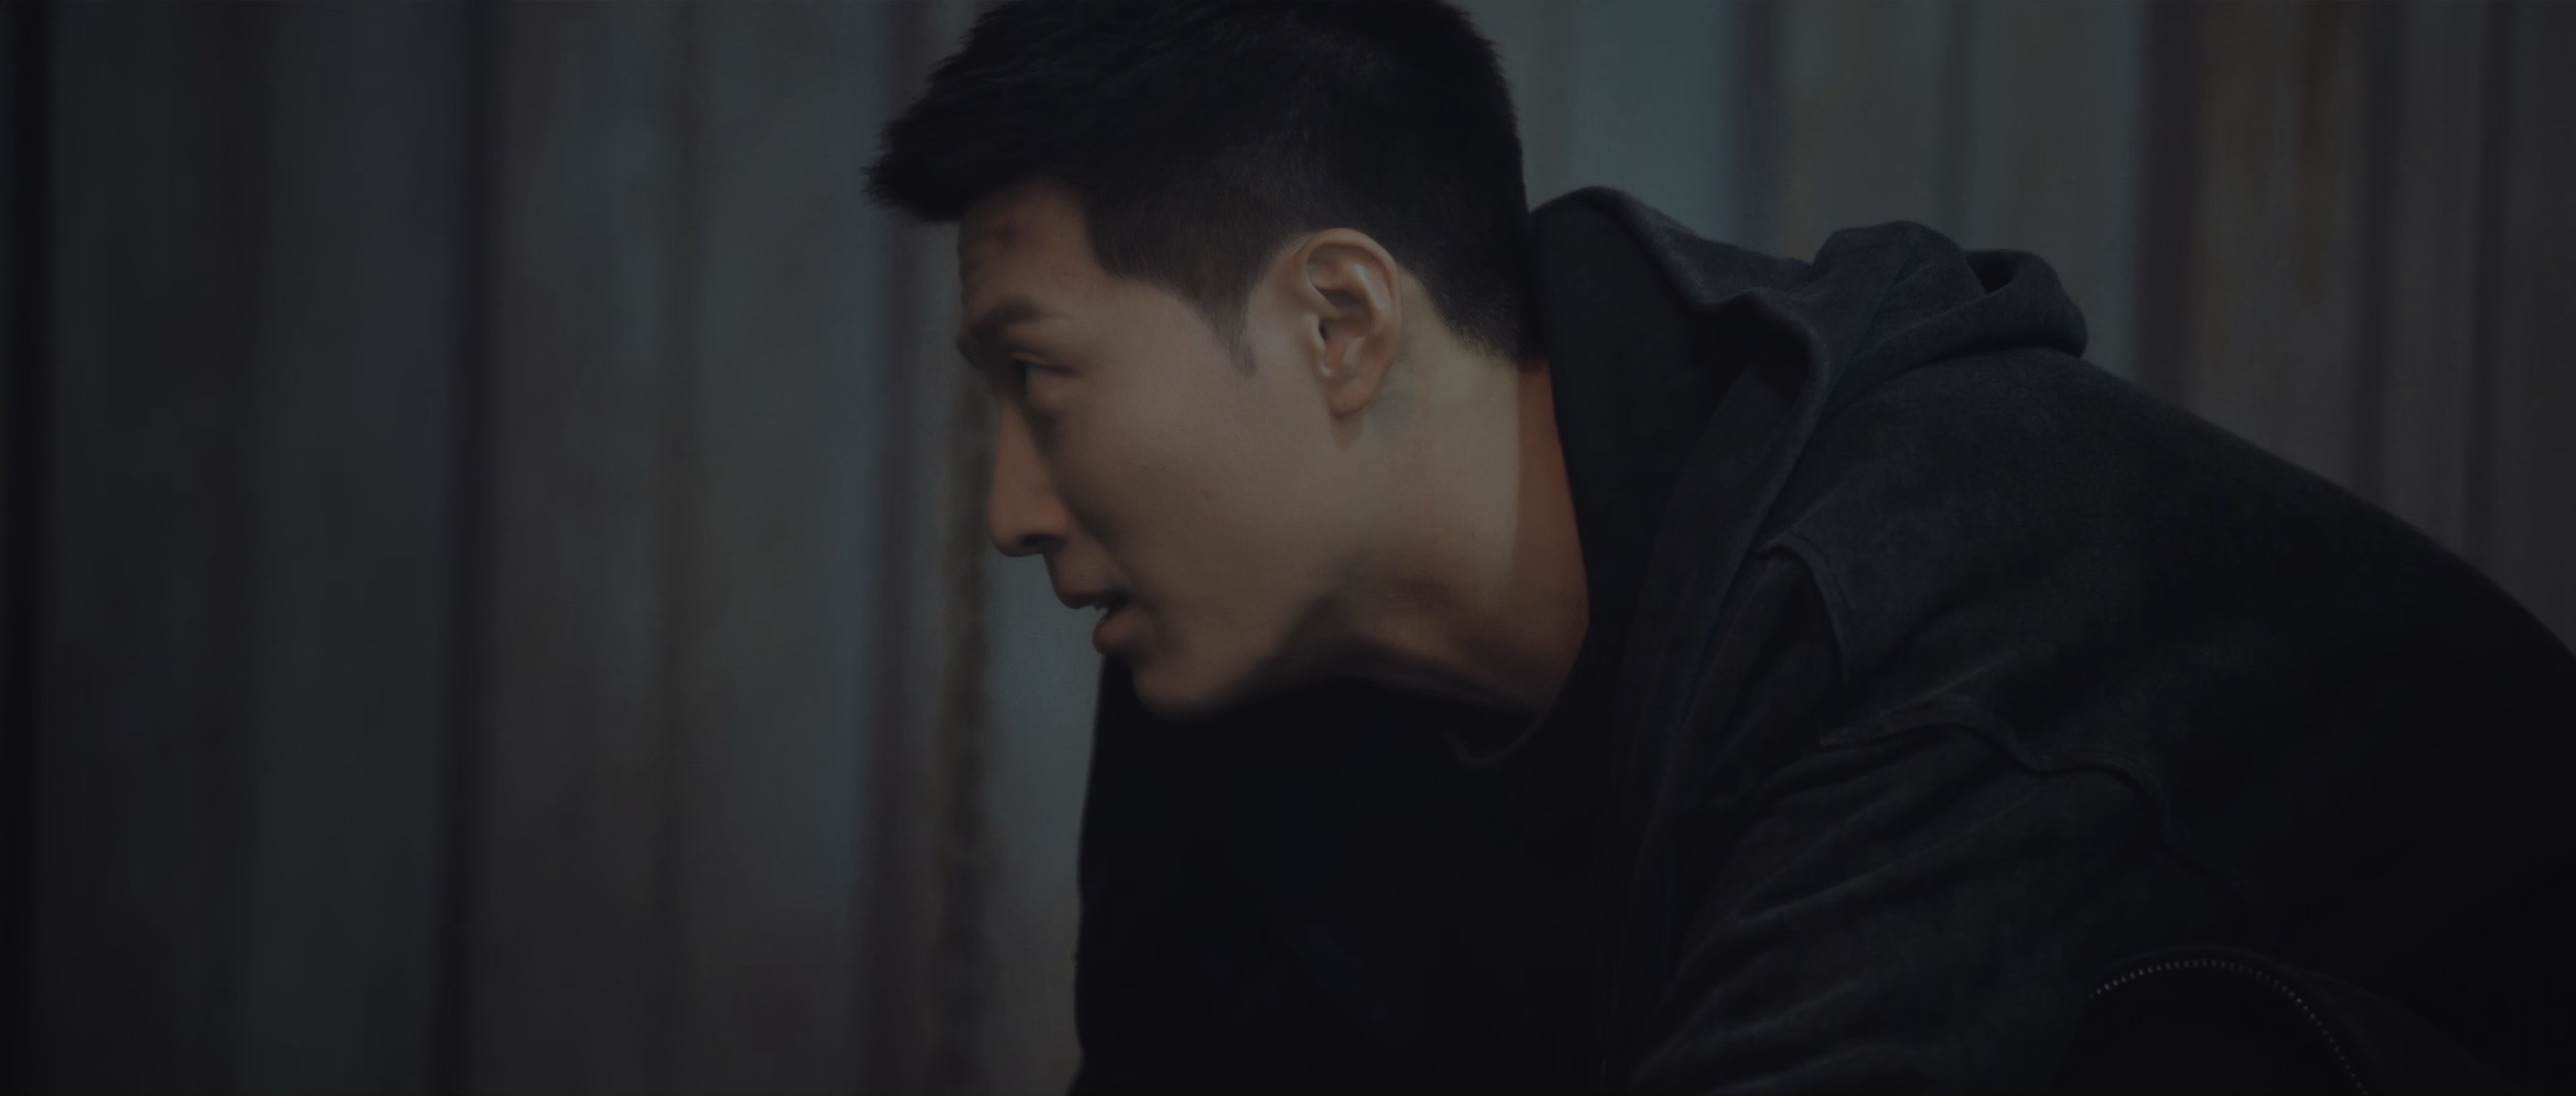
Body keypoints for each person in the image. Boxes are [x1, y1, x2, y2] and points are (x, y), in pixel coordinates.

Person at [865, 3, 2576, 1092]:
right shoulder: (1237, 645)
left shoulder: (1906, 577)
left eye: (1043, 380)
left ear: (1340, 322)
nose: (1014, 510)